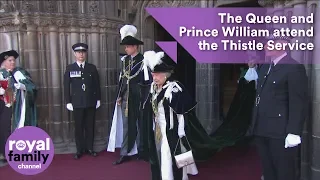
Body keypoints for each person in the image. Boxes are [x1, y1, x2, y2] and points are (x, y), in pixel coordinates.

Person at [143, 50, 226, 180]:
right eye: (153, 74)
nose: (155, 77)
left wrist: (180, 130)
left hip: (172, 129)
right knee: (159, 153)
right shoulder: (153, 88)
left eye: (157, 75)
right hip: (158, 128)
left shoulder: (174, 88)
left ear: (165, 75)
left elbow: (183, 110)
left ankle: (176, 176)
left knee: (175, 153)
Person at [248, 33, 308, 180]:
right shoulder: (265, 66)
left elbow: (298, 103)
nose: (266, 46)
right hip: (262, 128)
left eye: (270, 43)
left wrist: (294, 132)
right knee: (268, 171)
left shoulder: (294, 68)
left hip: (280, 131)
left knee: (284, 172)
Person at [107, 24, 152, 165]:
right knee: (127, 125)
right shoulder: (125, 61)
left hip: (139, 98)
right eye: (125, 47)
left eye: (128, 46)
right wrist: (119, 96)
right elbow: (122, 79)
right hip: (127, 99)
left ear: (135, 47)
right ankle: (125, 152)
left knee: (141, 124)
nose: (125, 49)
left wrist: (146, 101)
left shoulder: (143, 61)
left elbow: (147, 82)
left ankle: (142, 151)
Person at [64, 43, 101, 159]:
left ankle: (90, 148)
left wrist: (98, 99)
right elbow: (66, 86)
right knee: (79, 127)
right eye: (79, 52)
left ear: (86, 54)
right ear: (75, 54)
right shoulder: (70, 68)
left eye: (83, 52)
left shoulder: (92, 68)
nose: (81, 54)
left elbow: (97, 85)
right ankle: (79, 149)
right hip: (77, 102)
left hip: (90, 101)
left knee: (90, 126)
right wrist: (68, 101)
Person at [0, 50, 37, 163]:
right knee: (4, 128)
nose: (12, 63)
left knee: (20, 127)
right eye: (9, 60)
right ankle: (5, 153)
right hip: (4, 105)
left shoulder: (20, 72)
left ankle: (20, 152)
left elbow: (32, 87)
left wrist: (23, 86)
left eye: (13, 60)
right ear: (3, 62)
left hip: (19, 106)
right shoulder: (0, 73)